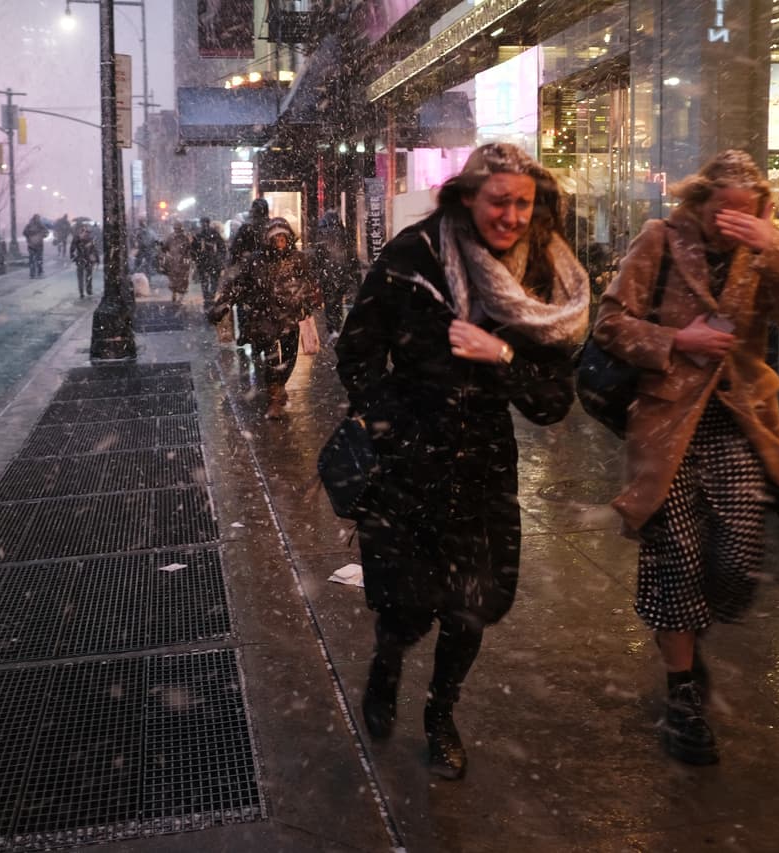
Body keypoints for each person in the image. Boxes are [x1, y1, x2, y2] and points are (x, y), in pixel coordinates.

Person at [333, 142, 589, 780]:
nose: (510, 215)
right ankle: (386, 669)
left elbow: (554, 399)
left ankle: (440, 715)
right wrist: (386, 420)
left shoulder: (540, 278)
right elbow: (356, 350)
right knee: (405, 605)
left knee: (471, 608)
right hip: (408, 461)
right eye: (498, 200)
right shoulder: (412, 256)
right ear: (467, 196)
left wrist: (499, 357)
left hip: (482, 465)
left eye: (523, 203)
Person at [591, 150, 779, 766]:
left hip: (739, 422)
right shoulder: (660, 238)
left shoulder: (766, 248)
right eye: (723, 211)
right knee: (674, 555)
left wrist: (777, 249)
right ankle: (684, 696)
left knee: (738, 556)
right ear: (699, 203)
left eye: (747, 214)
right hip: (665, 423)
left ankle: (688, 629)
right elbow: (609, 324)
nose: (733, 223)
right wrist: (678, 339)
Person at [209, 217, 319, 418]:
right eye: (276, 237)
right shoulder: (255, 261)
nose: (280, 241)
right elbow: (238, 285)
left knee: (289, 359)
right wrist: (223, 305)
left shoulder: (298, 259)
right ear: (268, 239)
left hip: (291, 319)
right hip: (264, 318)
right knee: (272, 360)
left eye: (283, 237)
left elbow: (309, 283)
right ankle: (274, 401)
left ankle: (279, 386)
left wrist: (309, 300)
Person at [310, 210, 364, 341]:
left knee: (330, 303)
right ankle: (338, 327)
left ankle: (332, 328)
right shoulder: (344, 234)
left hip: (327, 276)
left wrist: (316, 273)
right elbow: (352, 256)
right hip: (342, 275)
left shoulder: (321, 235)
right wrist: (355, 275)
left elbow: (317, 256)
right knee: (338, 301)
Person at [194, 217, 227, 308]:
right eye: (202, 223)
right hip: (208, 261)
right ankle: (209, 297)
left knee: (209, 280)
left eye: (204, 223)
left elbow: (222, 247)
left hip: (209, 261)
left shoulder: (204, 234)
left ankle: (209, 296)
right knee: (210, 280)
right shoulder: (201, 235)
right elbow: (222, 248)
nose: (204, 225)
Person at [161, 221, 195, 302]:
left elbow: (165, 247)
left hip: (179, 261)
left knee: (178, 278)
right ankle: (177, 294)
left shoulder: (178, 237)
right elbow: (165, 247)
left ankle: (177, 294)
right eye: (176, 228)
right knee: (179, 278)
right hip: (178, 261)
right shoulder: (183, 237)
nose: (177, 230)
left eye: (178, 229)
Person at [69, 223, 100, 298]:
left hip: (88, 260)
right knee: (81, 277)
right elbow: (72, 249)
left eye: (88, 233)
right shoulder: (77, 238)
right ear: (81, 231)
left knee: (88, 276)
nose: (87, 234)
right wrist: (74, 257)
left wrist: (97, 259)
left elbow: (94, 250)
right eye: (85, 232)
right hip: (80, 259)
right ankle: (81, 292)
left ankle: (88, 291)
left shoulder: (90, 239)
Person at [23, 214, 49, 278]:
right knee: (39, 259)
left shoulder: (29, 225)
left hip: (31, 244)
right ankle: (39, 271)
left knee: (32, 259)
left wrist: (29, 236)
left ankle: (32, 273)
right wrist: (42, 236)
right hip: (38, 245)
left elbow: (24, 232)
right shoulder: (40, 225)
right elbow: (46, 232)